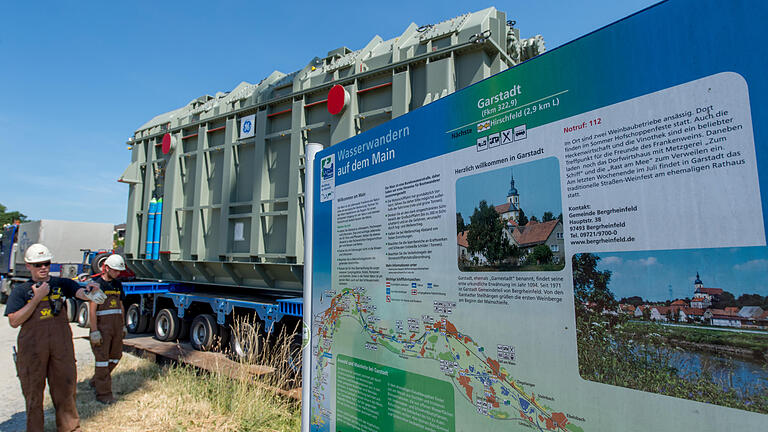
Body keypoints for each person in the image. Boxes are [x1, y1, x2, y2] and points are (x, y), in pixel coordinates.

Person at [5, 243, 107, 432]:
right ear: (28, 266)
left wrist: (91, 291)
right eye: (38, 264)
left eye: (46, 263)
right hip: (33, 350)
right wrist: (37, 298)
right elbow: (14, 321)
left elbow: (81, 293)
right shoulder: (21, 290)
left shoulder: (62, 284)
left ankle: (70, 429)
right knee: (33, 395)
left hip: (61, 348)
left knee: (66, 391)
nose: (43, 267)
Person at [87, 254, 127, 404]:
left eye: (119, 271)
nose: (117, 273)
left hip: (116, 328)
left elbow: (121, 305)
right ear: (107, 268)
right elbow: (92, 309)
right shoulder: (97, 285)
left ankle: (96, 380)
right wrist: (94, 331)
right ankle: (104, 395)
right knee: (102, 361)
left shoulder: (118, 285)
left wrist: (123, 325)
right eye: (115, 270)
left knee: (116, 357)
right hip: (102, 329)